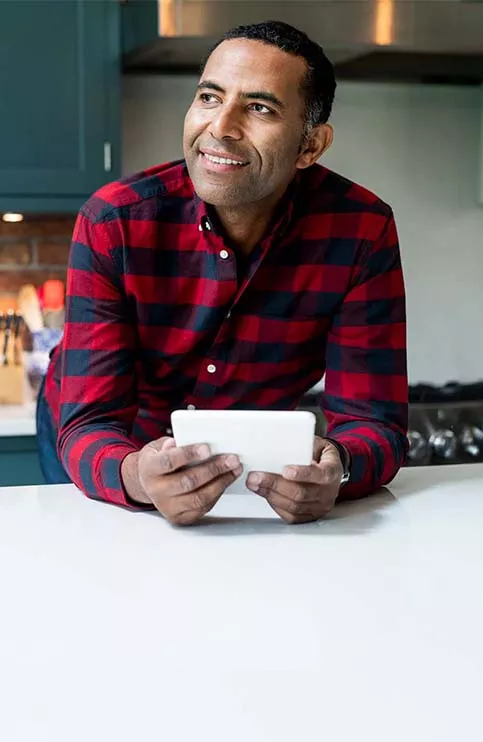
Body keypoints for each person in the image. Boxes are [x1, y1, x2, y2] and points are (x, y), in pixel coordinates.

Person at [37, 20, 408, 525]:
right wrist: (135, 474)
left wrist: (339, 468)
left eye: (260, 108)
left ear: (311, 146)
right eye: (210, 97)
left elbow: (374, 423)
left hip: (245, 457)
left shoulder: (361, 231)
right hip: (115, 443)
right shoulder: (114, 223)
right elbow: (89, 424)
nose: (222, 127)